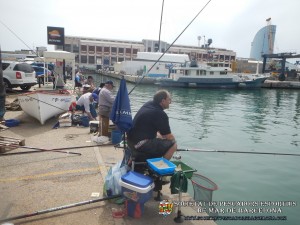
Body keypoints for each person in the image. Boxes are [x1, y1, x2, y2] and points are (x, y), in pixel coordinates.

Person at [127, 90, 177, 162]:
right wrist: (173, 142)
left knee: (159, 135)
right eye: (169, 99)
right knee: (173, 144)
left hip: (130, 141)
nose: (170, 102)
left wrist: (161, 137)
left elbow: (157, 129)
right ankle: (161, 167)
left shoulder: (148, 104)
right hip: (139, 144)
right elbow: (169, 137)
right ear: (163, 101)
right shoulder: (160, 114)